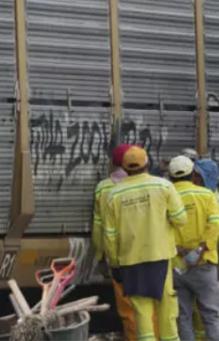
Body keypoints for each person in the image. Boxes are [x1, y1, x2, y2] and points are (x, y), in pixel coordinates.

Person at [104, 146, 186, 341]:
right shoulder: (164, 186)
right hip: (160, 258)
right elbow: (181, 219)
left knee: (141, 312)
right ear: (147, 164)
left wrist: (115, 264)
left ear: (124, 167)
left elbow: (110, 235)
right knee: (166, 307)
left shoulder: (114, 194)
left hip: (130, 260)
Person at [168, 156, 219, 341]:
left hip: (177, 266)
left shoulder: (166, 196)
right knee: (212, 317)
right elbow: (215, 224)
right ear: (193, 174)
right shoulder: (206, 195)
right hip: (204, 264)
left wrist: (178, 250)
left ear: (171, 177)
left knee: (183, 317)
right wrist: (202, 248)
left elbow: (160, 229)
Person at [93, 143, 137, 341]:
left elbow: (99, 225)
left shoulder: (103, 188)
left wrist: (100, 256)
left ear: (113, 162)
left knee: (127, 307)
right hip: (143, 252)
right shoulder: (141, 185)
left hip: (118, 255)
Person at [191, 158, 219, 340]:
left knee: (199, 315)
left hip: (199, 265)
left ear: (202, 178)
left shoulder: (200, 201)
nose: (192, 178)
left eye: (196, 175)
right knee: (209, 314)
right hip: (209, 267)